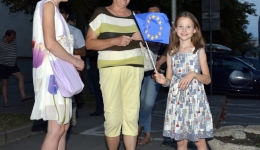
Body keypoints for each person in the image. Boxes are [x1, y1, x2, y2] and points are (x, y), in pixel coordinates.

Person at [85, 0, 144, 149]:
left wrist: (144, 37)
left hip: (134, 67)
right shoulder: (101, 13)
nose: (125, 0)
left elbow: (155, 42)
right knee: (112, 117)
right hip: (110, 67)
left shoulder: (136, 16)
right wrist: (114, 41)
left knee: (132, 115)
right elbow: (89, 44)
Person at [154, 11, 213, 150]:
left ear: (195, 30)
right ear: (175, 29)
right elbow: (169, 80)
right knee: (181, 142)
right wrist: (163, 81)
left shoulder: (198, 51)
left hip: (195, 101)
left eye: (188, 27)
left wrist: (193, 74)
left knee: (199, 141)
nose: (184, 30)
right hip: (177, 102)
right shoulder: (171, 52)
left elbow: (207, 79)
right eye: (180, 26)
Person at [30, 0, 84, 149]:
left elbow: (58, 43)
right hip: (53, 76)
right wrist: (74, 61)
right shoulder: (47, 5)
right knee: (56, 129)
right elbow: (51, 44)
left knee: (63, 127)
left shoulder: (53, 8)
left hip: (59, 73)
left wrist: (71, 56)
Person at [137, 4, 168, 146]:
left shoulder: (166, 30)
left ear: (160, 14)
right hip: (137, 69)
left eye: (155, 13)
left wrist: (159, 63)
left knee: (148, 103)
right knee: (142, 104)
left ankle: (138, 129)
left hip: (154, 71)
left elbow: (170, 48)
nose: (152, 15)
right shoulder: (141, 27)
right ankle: (148, 134)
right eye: (150, 13)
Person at [59, 3, 86, 133]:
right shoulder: (50, 29)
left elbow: (83, 51)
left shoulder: (75, 31)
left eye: (62, 13)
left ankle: (71, 119)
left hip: (71, 67)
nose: (60, 16)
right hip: (55, 68)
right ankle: (60, 120)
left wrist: (68, 51)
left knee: (71, 94)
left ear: (67, 15)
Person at [0, 30, 33, 107]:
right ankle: (5, 101)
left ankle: (23, 96)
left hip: (13, 65)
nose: (13, 39)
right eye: (11, 38)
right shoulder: (1, 43)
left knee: (21, 77)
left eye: (14, 37)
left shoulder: (13, 41)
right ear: (6, 36)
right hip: (4, 65)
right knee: (5, 83)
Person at [87, 50, 104, 116]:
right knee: (97, 89)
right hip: (94, 64)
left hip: (99, 64)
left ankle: (100, 109)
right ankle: (99, 109)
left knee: (99, 89)